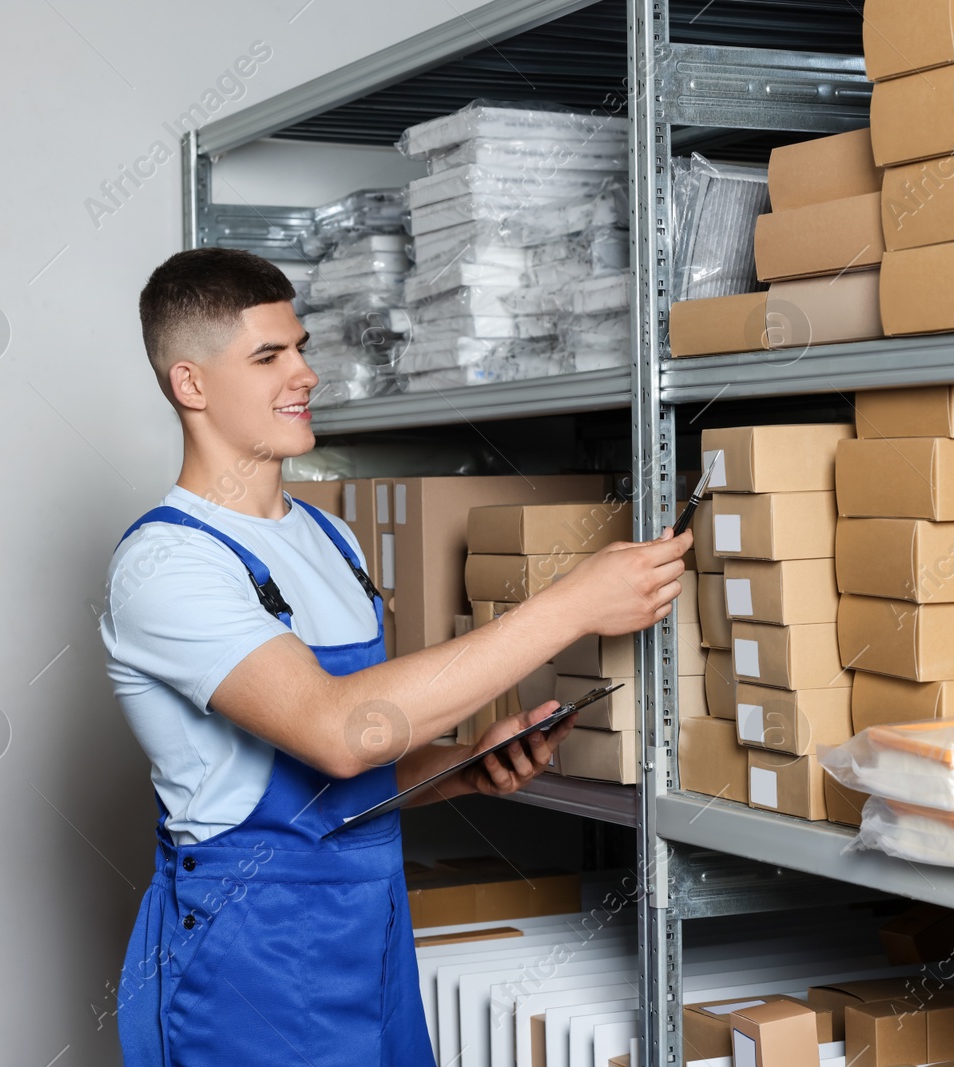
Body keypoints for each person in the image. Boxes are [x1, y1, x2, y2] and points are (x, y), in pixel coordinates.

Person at [99, 247, 691, 1066]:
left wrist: (459, 766)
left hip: (371, 935)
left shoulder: (329, 537)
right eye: (269, 357)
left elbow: (347, 782)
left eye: (301, 346)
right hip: (249, 957)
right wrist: (574, 605)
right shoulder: (167, 564)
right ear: (190, 384)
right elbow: (338, 731)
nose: (304, 373)